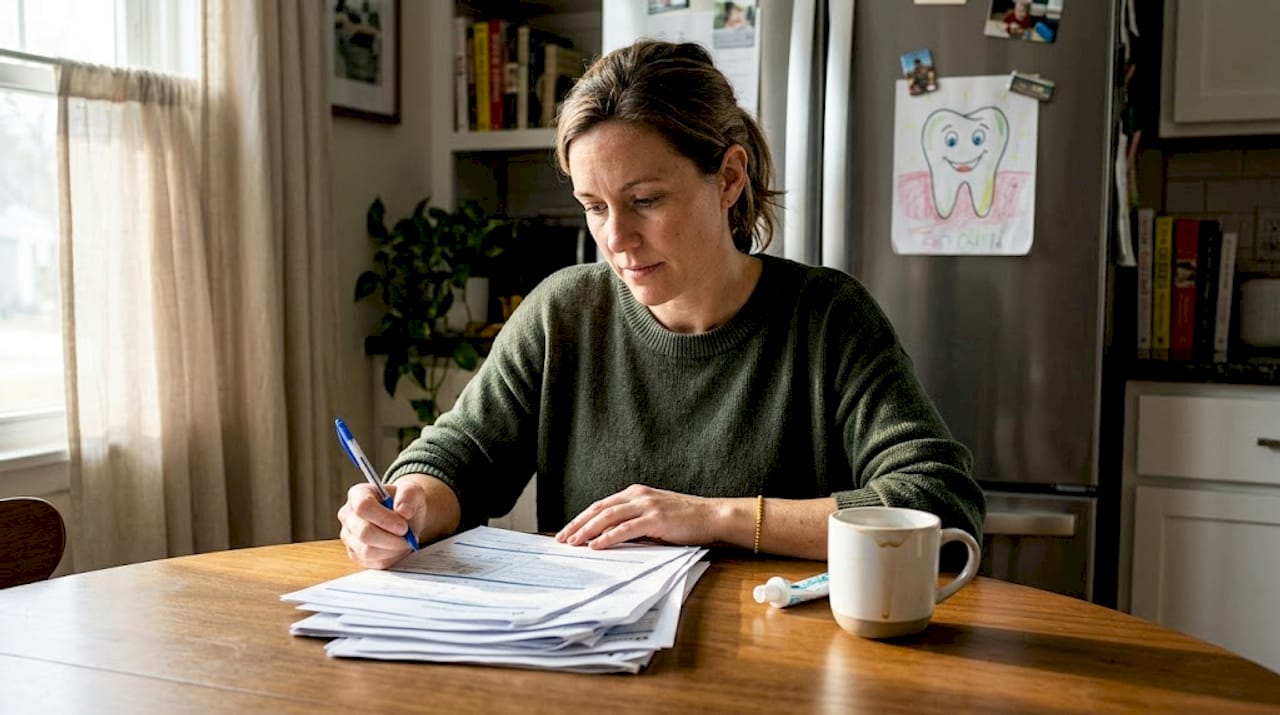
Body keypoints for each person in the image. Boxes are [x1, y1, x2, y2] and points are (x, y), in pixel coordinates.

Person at [337, 40, 985, 570]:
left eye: (645, 199)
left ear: (728, 178)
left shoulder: (827, 318)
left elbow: (939, 501)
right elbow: (460, 456)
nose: (615, 239)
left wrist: (713, 516)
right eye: (594, 207)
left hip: (785, 663)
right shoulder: (563, 312)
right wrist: (411, 501)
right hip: (596, 659)